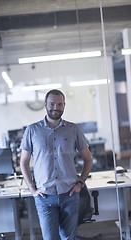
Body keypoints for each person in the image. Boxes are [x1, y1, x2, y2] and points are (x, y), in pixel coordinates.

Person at [20, 89, 93, 240]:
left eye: (59, 104)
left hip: (69, 194)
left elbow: (88, 158)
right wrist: (32, 189)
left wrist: (80, 182)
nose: (56, 107)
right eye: (52, 104)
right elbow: (24, 162)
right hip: (44, 196)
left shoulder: (73, 129)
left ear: (64, 106)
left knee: (68, 237)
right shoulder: (32, 130)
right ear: (45, 105)